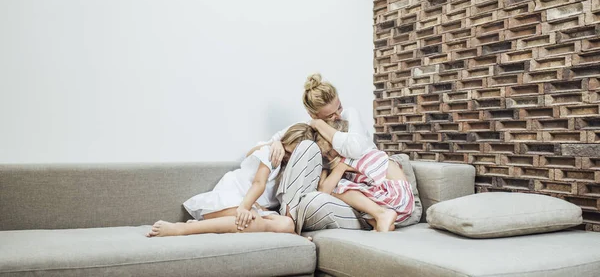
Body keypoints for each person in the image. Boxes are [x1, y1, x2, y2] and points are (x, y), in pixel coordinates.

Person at [146, 123, 318, 237]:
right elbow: (259, 183)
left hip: (253, 207)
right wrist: (244, 207)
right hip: (233, 199)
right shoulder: (271, 153)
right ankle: (181, 229)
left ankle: (212, 224)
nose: (285, 158)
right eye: (286, 152)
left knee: (287, 225)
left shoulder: (287, 171)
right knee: (251, 220)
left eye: (291, 157)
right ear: (282, 143)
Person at [262, 73, 378, 233]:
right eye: (330, 115)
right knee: (306, 146)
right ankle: (289, 218)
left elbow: (355, 149)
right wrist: (277, 143)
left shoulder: (350, 116)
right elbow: (268, 144)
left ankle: (290, 223)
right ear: (312, 114)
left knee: (314, 201)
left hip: (359, 205)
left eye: (339, 107)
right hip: (321, 195)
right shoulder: (308, 125)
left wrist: (319, 124)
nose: (338, 116)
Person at [316, 120, 415, 232]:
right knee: (355, 195)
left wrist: (324, 168)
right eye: (325, 156)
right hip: (403, 206)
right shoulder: (363, 151)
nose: (329, 158)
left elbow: (324, 191)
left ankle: (381, 214)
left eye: (329, 153)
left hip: (397, 199)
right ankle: (379, 222)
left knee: (338, 187)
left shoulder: (348, 158)